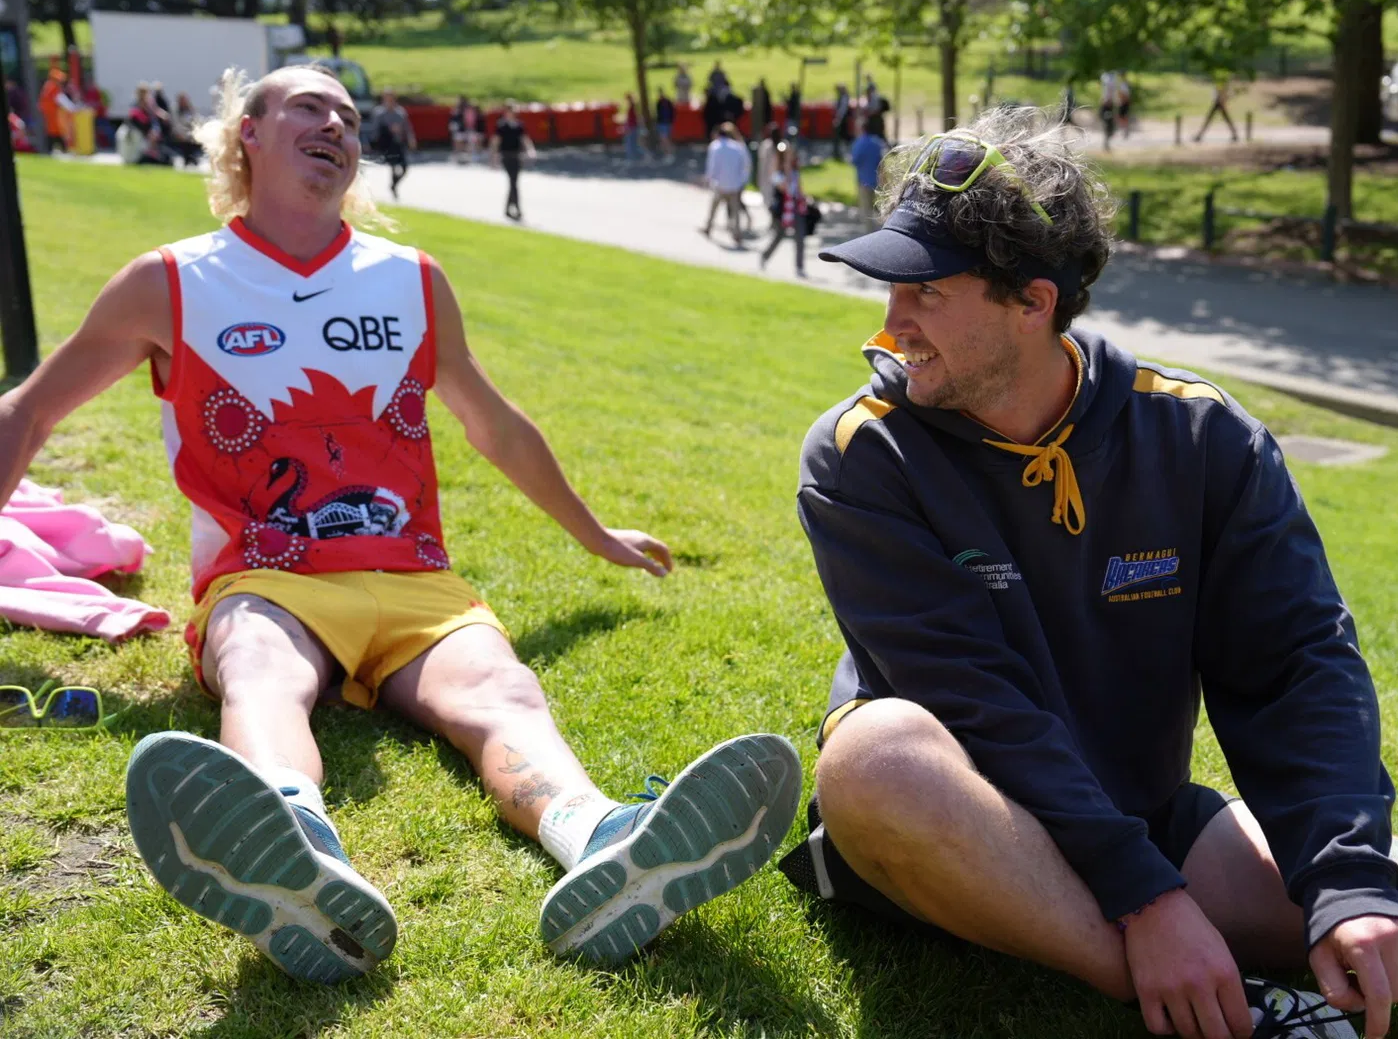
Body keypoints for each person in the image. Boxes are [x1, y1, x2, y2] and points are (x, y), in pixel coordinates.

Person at [779, 105, 1398, 1039]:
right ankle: (1227, 1003)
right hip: (963, 821)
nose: (892, 323)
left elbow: (1296, 663)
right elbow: (973, 702)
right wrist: (1147, 904)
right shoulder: (860, 453)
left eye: (924, 291)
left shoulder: (1201, 436)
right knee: (873, 754)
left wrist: (1345, 883)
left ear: (1032, 300)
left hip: (1148, 823)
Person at [0, 63, 801, 983]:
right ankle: (290, 845)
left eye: (349, 116)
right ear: (246, 135)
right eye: (310, 107)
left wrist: (596, 535)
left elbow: (495, 425)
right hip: (270, 581)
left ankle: (604, 842)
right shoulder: (170, 282)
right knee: (258, 666)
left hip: (415, 581)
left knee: (502, 690)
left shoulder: (412, 280)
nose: (338, 124)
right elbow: (27, 411)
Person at [759, 142, 808, 278]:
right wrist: (786, 169)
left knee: (800, 236)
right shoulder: (777, 174)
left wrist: (803, 199)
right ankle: (765, 255)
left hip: (795, 207)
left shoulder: (795, 171)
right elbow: (784, 187)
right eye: (786, 155)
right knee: (779, 235)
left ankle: (799, 266)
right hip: (783, 210)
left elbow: (798, 189)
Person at [701, 121, 751, 248]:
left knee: (714, 208)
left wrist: (708, 179)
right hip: (734, 184)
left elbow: (712, 166)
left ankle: (708, 227)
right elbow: (745, 165)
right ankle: (737, 234)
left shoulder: (715, 146)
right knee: (735, 211)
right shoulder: (738, 147)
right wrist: (741, 180)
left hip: (720, 184)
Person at [490, 99, 535, 221]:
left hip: (516, 155)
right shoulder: (502, 125)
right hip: (506, 155)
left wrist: (530, 150)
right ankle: (517, 208)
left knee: (514, 183)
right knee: (513, 182)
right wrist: (493, 157)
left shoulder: (519, 125)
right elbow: (496, 141)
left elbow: (524, 139)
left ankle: (508, 208)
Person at [369, 89, 417, 198]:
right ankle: (394, 189)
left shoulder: (400, 112)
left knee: (404, 167)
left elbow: (407, 127)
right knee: (393, 165)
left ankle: (394, 185)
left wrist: (411, 139)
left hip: (398, 143)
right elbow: (375, 129)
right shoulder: (379, 113)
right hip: (387, 144)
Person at [850, 113, 888, 230]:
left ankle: (869, 235)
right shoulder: (876, 142)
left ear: (861, 128)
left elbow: (854, 160)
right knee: (881, 209)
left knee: (866, 211)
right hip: (877, 180)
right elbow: (883, 160)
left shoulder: (859, 143)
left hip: (864, 180)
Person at [1195, 74, 1239, 143]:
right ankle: (1199, 135)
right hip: (1218, 102)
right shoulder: (1221, 82)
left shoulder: (1223, 82)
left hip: (1219, 102)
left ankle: (1199, 135)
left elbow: (1224, 92)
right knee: (1223, 119)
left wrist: (1222, 101)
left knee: (1210, 119)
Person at [756, 122, 782, 232]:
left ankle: (776, 220)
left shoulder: (776, 146)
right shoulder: (769, 146)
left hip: (773, 178)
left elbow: (762, 164)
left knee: (772, 200)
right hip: (775, 178)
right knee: (772, 200)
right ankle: (775, 220)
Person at [449, 95, 484, 165]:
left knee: (473, 139)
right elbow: (454, 121)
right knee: (458, 138)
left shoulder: (471, 111)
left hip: (471, 130)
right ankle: (458, 154)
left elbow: (472, 122)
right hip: (461, 130)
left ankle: (472, 154)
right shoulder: (456, 111)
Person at [832, 84, 853, 161]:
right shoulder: (844, 97)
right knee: (843, 136)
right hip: (842, 119)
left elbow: (842, 109)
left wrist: (838, 119)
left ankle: (844, 152)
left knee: (843, 136)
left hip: (842, 119)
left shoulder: (844, 97)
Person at [654, 88, 676, 160]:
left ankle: (669, 154)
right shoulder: (660, 102)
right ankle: (668, 153)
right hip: (663, 123)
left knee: (665, 139)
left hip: (665, 123)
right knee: (664, 139)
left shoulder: (665, 102)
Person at [622, 92, 642, 163]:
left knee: (630, 143)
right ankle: (633, 157)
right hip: (632, 127)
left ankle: (631, 158)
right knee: (632, 143)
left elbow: (637, 117)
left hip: (632, 127)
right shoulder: (632, 107)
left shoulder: (633, 107)